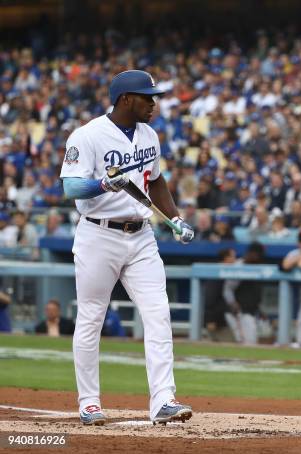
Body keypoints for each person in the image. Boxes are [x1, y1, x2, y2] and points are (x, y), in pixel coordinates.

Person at [60, 70, 194, 426]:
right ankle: (89, 403)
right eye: (146, 97)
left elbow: (155, 180)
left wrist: (176, 219)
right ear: (125, 100)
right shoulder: (87, 135)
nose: (154, 103)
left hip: (141, 236)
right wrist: (102, 184)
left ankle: (163, 400)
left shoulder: (149, 134)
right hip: (97, 235)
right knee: (91, 318)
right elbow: (71, 188)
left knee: (158, 313)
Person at [223, 242, 266, 345]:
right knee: (247, 342)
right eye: (256, 254)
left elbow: (254, 293)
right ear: (250, 253)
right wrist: (233, 303)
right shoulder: (240, 266)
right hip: (239, 312)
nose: (257, 257)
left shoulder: (257, 267)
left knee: (251, 342)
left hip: (250, 312)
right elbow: (227, 289)